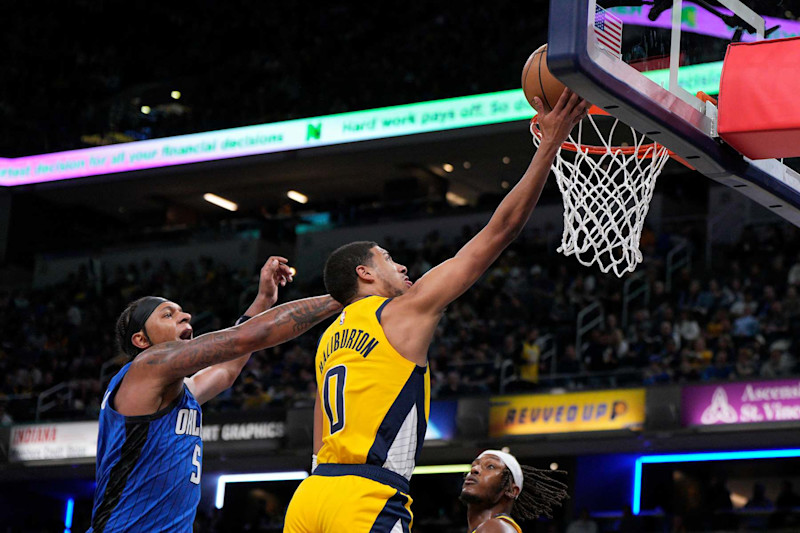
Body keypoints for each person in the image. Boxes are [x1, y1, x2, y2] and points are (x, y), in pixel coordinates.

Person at [284, 89, 589, 532]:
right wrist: (549, 145)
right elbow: (499, 231)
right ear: (365, 274)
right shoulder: (403, 311)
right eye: (388, 258)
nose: (401, 265)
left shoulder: (329, 338)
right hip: (364, 495)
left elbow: (320, 418)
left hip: (310, 495)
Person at [87, 256, 341, 532]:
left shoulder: (181, 394)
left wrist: (264, 299)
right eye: (167, 314)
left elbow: (228, 369)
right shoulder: (147, 364)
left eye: (181, 311)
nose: (185, 316)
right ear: (141, 340)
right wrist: (341, 296)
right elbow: (246, 338)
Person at [459, 450, 568, 532]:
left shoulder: (494, 528)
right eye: (474, 465)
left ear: (512, 490)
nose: (474, 469)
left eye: (490, 466)